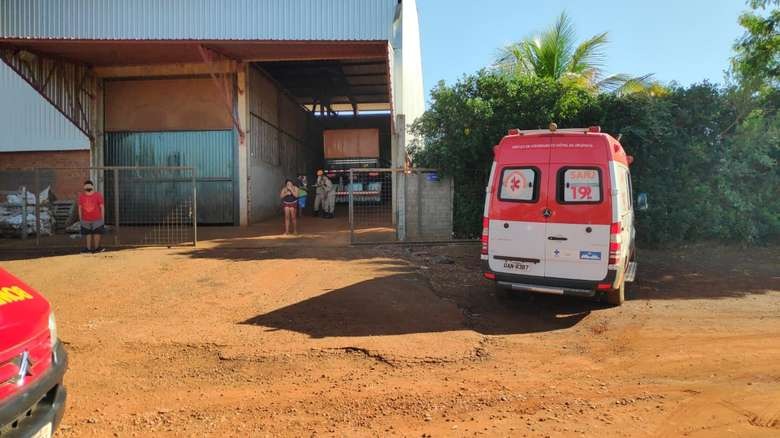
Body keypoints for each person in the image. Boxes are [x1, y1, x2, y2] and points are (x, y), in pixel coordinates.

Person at [78, 180, 105, 253]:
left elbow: (102, 206)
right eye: (86, 186)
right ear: (84, 188)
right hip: (85, 219)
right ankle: (88, 249)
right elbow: (80, 208)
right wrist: (80, 218)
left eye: (89, 186)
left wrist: (102, 218)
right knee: (88, 234)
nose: (88, 188)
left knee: (97, 233)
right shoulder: (81, 196)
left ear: (93, 187)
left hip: (97, 218)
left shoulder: (98, 195)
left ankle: (97, 248)